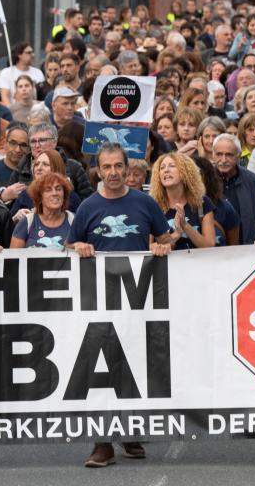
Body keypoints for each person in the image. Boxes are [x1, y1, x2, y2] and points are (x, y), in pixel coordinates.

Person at [71, 143, 175, 468]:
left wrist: (162, 246)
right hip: (99, 301)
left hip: (139, 299)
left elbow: (166, 237)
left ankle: (129, 431)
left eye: (119, 166)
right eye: (107, 167)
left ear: (127, 168)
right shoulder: (88, 207)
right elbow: (69, 243)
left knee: (133, 365)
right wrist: (79, 246)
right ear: (98, 171)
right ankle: (103, 444)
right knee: (102, 367)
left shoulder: (144, 202)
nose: (114, 172)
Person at [149, 152, 216, 249]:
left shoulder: (202, 202)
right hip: (165, 264)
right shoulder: (152, 205)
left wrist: (185, 225)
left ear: (185, 172)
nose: (166, 170)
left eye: (172, 166)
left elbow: (209, 245)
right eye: (162, 168)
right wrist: (176, 235)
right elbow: (147, 246)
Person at [211, 133, 255, 244]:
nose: (223, 160)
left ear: (238, 156)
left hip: (245, 250)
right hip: (212, 252)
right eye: (219, 154)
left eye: (229, 155)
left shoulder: (253, 181)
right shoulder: (204, 180)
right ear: (213, 155)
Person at [9, 172, 74, 249]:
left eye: (58, 189)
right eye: (48, 190)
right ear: (39, 197)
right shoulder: (27, 222)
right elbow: (14, 258)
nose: (54, 193)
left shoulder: (74, 220)